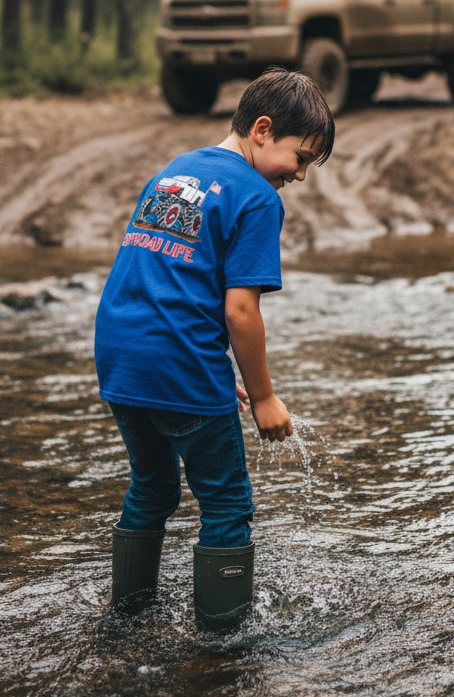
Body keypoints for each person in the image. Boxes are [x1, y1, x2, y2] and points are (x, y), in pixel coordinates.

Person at [94, 67, 335, 630]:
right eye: (299, 158)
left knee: (151, 488)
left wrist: (206, 363)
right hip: (178, 362)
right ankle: (223, 648)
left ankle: (125, 621)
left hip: (122, 356)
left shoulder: (178, 169)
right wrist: (266, 397)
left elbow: (165, 276)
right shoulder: (257, 199)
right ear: (262, 129)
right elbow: (240, 310)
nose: (299, 175)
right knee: (227, 506)